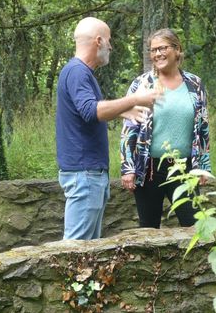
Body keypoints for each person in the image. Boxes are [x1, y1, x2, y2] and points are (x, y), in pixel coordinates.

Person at [56, 17, 161, 240]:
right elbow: (90, 111)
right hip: (84, 174)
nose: (111, 46)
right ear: (99, 41)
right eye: (109, 41)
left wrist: (124, 111)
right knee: (74, 252)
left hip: (89, 174)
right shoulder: (77, 72)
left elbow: (86, 112)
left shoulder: (81, 72)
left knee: (88, 252)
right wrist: (134, 99)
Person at [120, 28, 211, 228]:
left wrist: (203, 165)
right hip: (149, 169)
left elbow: (202, 128)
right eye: (153, 50)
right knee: (148, 230)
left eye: (163, 48)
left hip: (184, 168)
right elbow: (129, 128)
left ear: (177, 50)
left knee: (194, 227)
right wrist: (128, 167)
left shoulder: (194, 84)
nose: (157, 54)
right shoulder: (142, 84)